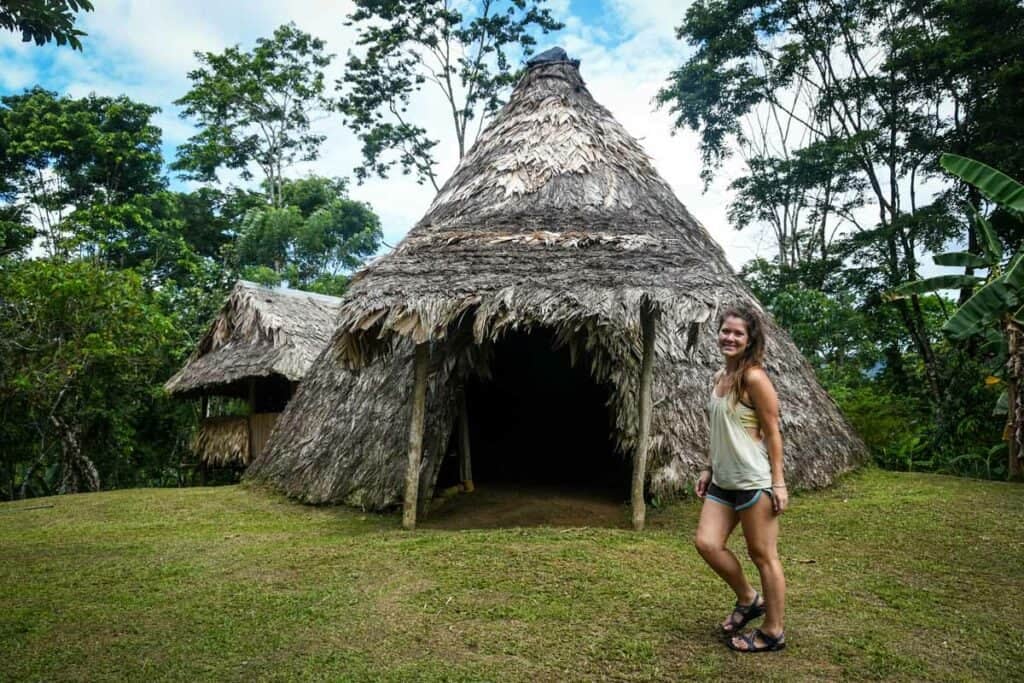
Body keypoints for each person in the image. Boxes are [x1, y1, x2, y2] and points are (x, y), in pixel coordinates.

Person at [694, 304, 788, 653]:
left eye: (738, 333)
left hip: (752, 482)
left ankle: (774, 631)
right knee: (706, 543)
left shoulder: (754, 378)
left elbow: (773, 432)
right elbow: (722, 430)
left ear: (750, 340)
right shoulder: (720, 377)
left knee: (763, 555)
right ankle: (749, 599)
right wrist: (708, 466)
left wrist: (778, 482)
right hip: (723, 480)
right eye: (725, 331)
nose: (729, 337)